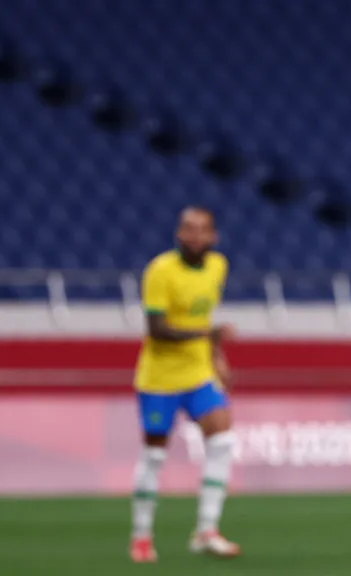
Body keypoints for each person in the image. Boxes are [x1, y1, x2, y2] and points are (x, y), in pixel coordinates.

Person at [128, 206, 241, 563]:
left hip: (197, 375)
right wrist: (208, 335)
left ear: (213, 236)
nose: (194, 235)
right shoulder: (160, 271)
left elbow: (203, 319)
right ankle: (141, 536)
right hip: (159, 380)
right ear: (179, 234)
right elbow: (157, 329)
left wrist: (217, 359)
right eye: (188, 229)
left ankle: (206, 530)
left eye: (201, 229)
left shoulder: (217, 266)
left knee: (222, 441)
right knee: (154, 455)